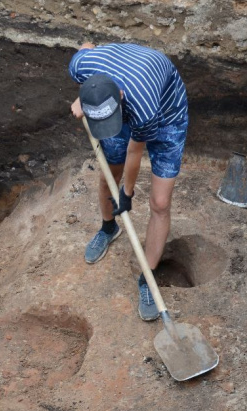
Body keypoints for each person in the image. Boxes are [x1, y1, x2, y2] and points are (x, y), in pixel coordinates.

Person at [68, 42, 189, 322]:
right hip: (115, 102)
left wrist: (127, 194)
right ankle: (108, 228)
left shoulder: (143, 107)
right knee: (108, 175)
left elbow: (136, 150)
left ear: (120, 96)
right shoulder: (80, 65)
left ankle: (147, 279)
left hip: (168, 115)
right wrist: (84, 97)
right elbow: (86, 46)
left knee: (160, 202)